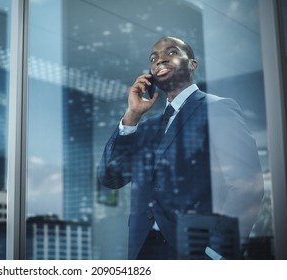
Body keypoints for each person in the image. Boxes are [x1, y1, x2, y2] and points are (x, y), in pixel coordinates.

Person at [97, 36, 264, 259]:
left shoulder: (218, 108)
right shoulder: (145, 126)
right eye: (153, 58)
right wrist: (131, 116)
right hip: (143, 251)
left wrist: (216, 255)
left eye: (172, 52)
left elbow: (247, 187)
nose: (160, 60)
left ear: (193, 64)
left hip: (196, 251)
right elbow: (111, 178)